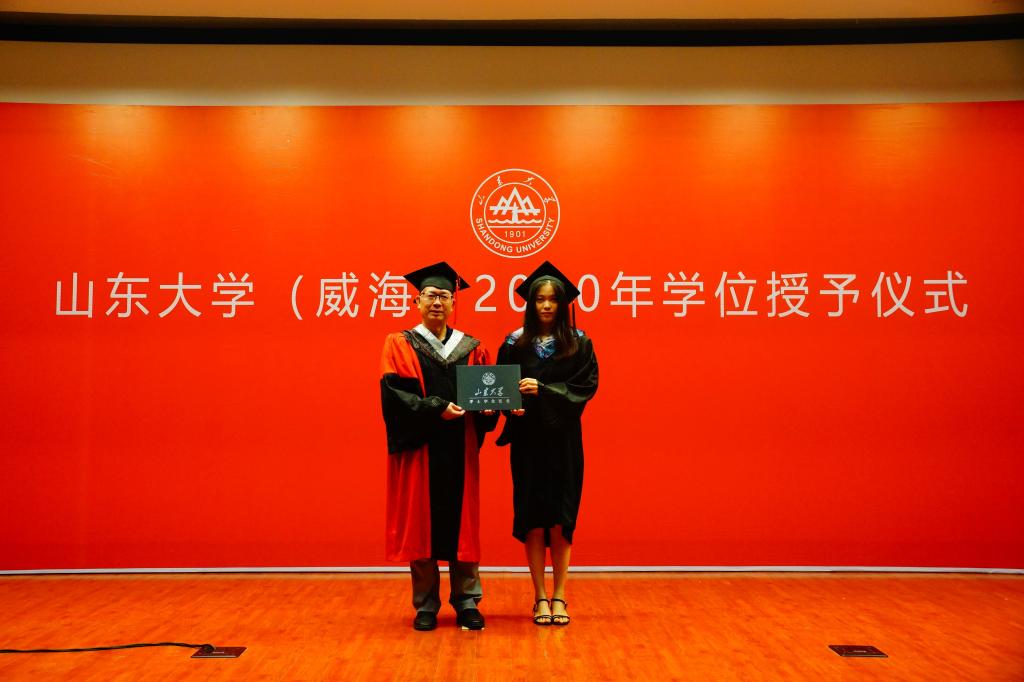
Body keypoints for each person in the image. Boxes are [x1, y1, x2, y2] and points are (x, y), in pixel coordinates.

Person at [379, 261, 497, 631]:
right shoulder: (400, 344)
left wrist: (490, 410)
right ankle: (426, 604)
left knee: (464, 526)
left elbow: (486, 398)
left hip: (460, 450)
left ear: (453, 303)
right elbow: (395, 396)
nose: (437, 302)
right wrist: (436, 409)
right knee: (422, 525)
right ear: (416, 301)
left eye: (444, 296)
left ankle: (467, 600)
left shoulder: (473, 348)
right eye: (430, 295)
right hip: (422, 449)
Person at [495, 261, 599, 626]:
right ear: (530, 303)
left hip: (563, 441)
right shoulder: (514, 343)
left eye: (553, 299)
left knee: (561, 518)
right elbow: (500, 389)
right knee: (533, 518)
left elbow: (585, 387)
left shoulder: (579, 343)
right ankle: (540, 595)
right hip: (528, 441)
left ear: (563, 304)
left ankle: (560, 596)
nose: (546, 305)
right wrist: (510, 407)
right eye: (539, 299)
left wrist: (545, 390)